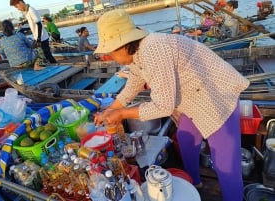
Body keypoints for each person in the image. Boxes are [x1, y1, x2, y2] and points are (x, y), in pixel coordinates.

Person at [93, 9, 249, 201]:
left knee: (226, 164)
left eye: (111, 52)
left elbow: (163, 106)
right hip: (191, 99)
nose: (110, 57)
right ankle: (194, 183)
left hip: (216, 95)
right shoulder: (136, 54)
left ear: (123, 45)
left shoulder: (154, 49)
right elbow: (132, 85)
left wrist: (122, 114)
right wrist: (110, 110)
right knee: (185, 139)